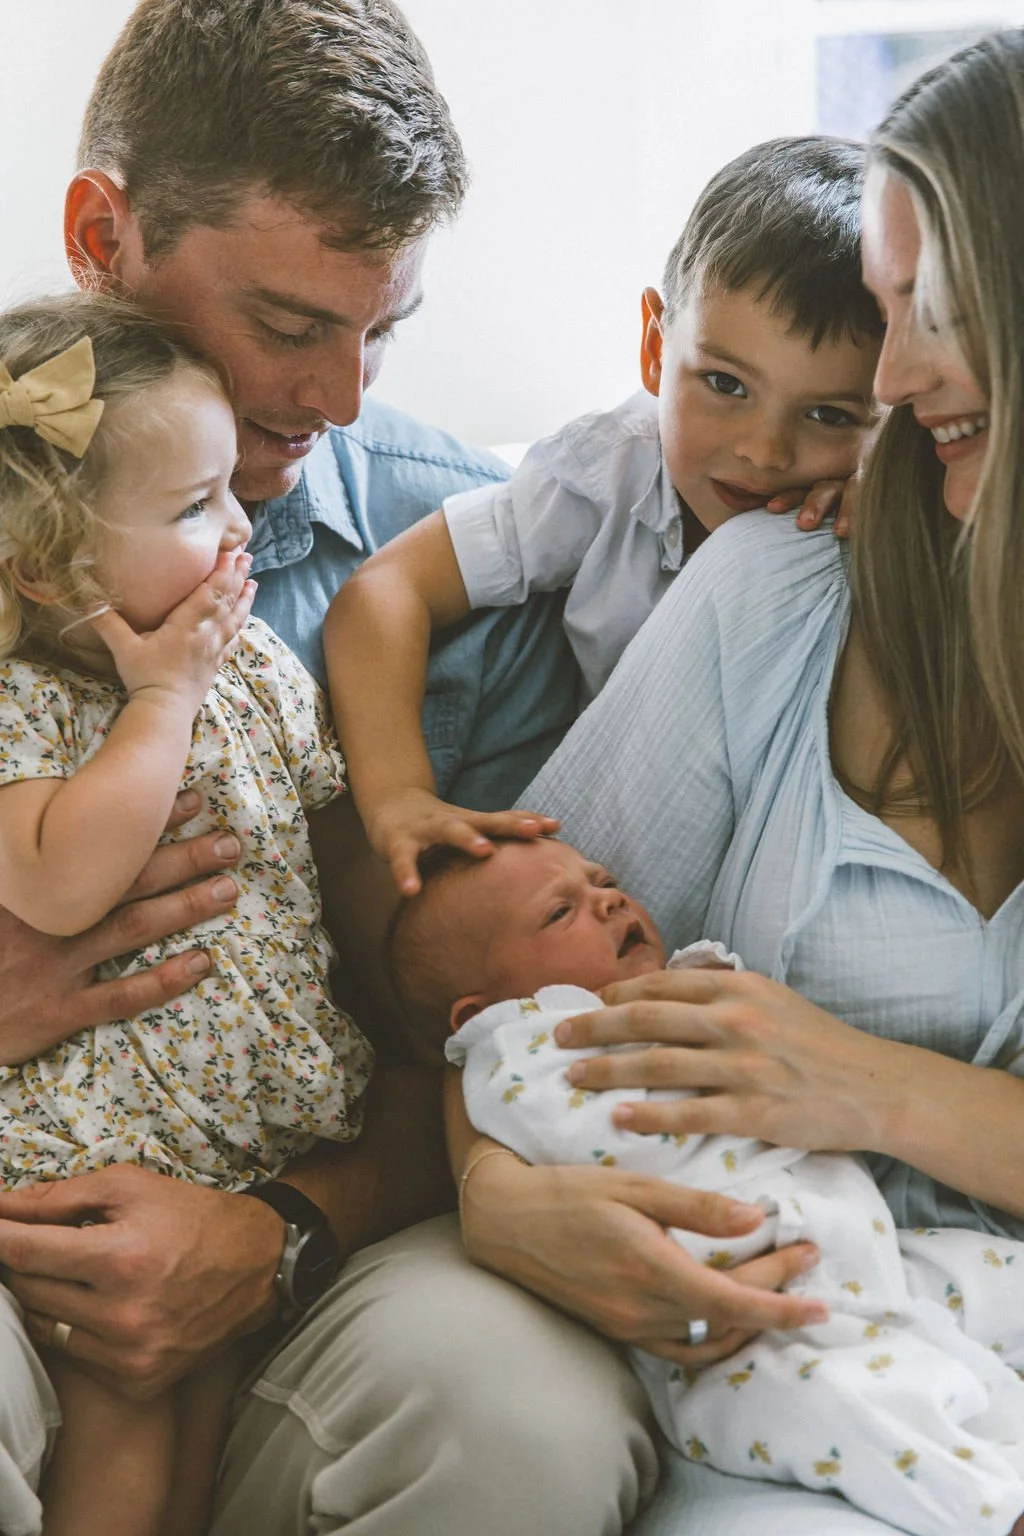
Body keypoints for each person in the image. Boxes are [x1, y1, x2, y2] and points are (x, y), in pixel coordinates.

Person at [0, 5, 724, 1535]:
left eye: (380, 330)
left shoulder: (461, 560)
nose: (339, 398)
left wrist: (278, 1230)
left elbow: (495, 1025)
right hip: (28, 1200)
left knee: (516, 1417)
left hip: (317, 1215)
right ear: (104, 237)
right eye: (287, 324)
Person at [446, 28, 1024, 1536]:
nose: (891, 380)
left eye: (936, 314)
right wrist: (500, 1194)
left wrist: (875, 1087)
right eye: (887, 317)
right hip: (810, 1373)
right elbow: (513, 973)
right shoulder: (775, 593)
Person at [0, 291, 380, 1535]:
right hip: (103, 1147)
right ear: (51, 566)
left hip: (240, 1143)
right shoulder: (27, 700)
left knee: (206, 1422)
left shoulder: (244, 659)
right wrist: (162, 701)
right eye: (192, 507)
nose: (240, 530)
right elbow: (60, 880)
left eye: (231, 492)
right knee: (123, 1408)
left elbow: (325, 822)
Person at [389, 835, 1024, 1536]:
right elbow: (603, 1134)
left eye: (603, 880)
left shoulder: (672, 1000)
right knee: (849, 1408)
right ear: (478, 1013)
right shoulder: (521, 1053)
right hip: (749, 1328)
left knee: (1001, 1276)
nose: (608, 899)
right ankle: (993, 1505)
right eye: (559, 911)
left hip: (869, 1255)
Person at [326, 136, 882, 894]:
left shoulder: (870, 513)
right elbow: (386, 590)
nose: (764, 450)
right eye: (725, 384)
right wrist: (400, 796)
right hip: (623, 848)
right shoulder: (609, 472)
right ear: (656, 347)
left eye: (829, 414)